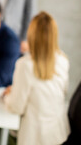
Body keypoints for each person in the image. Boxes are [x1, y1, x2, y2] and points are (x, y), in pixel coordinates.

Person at [4, 11, 70, 145]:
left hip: (34, 137)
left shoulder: (25, 65)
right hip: (58, 133)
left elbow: (16, 107)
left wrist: (9, 95)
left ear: (31, 36)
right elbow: (63, 92)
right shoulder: (63, 59)